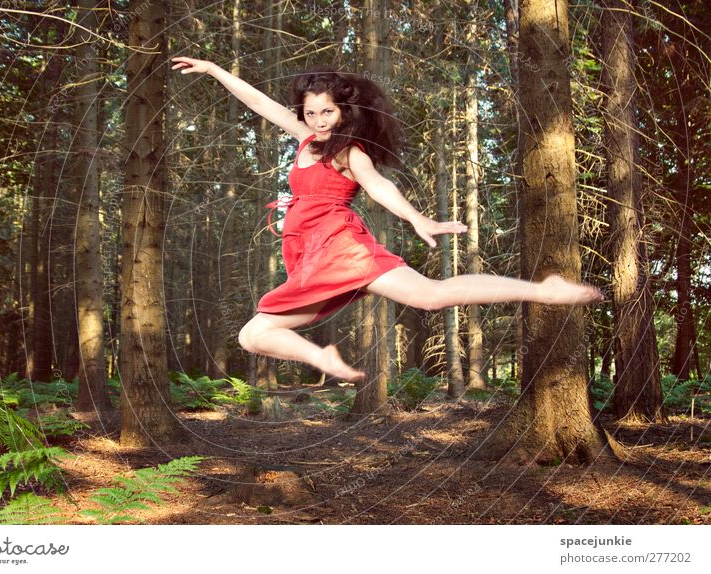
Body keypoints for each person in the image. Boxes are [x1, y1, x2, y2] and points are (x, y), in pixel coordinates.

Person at [171, 56, 604, 382]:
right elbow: (259, 102)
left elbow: (378, 185)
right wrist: (213, 70)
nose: (319, 121)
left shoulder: (348, 152)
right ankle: (321, 358)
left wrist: (418, 219)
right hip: (307, 255)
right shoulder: (306, 140)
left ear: (343, 111)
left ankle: (542, 291)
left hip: (339, 246)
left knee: (431, 296)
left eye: (327, 112)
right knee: (252, 335)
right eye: (310, 113)